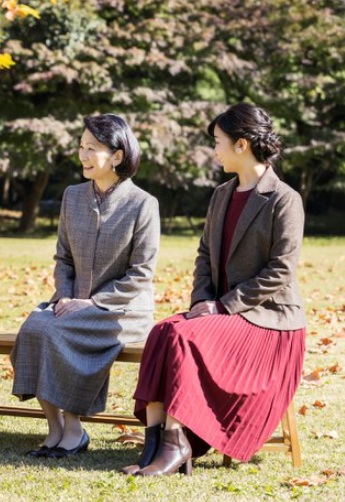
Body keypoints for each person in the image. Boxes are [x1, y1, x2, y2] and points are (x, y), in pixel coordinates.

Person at [127, 103, 306, 476]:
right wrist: (202, 301)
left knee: (184, 338)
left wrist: (222, 307)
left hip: (270, 324)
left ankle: (178, 444)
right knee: (163, 331)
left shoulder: (285, 199)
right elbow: (205, 255)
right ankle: (154, 444)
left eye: (218, 142)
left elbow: (281, 270)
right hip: (220, 313)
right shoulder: (222, 194)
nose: (214, 150)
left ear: (242, 145)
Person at [11, 114, 159, 458]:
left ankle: (74, 428)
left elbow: (141, 272)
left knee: (56, 332)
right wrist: (66, 295)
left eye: (92, 148)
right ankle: (54, 429)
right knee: (34, 327)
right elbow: (63, 258)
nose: (83, 155)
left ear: (118, 156)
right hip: (70, 302)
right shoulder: (72, 196)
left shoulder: (143, 204)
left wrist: (93, 303)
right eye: (81, 147)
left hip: (122, 310)